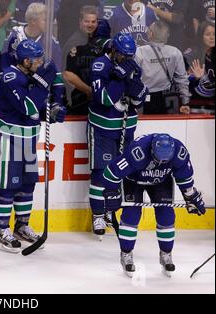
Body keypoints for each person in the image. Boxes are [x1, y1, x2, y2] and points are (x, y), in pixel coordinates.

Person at [0, 39, 66, 253]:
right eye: (37, 59)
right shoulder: (10, 77)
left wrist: (52, 111)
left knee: (27, 183)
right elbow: (27, 106)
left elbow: (38, 108)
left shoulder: (31, 75)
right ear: (25, 60)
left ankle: (21, 225)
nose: (40, 62)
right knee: (8, 186)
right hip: (9, 136)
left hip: (30, 137)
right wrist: (43, 83)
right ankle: (1, 229)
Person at [102, 134, 206, 277]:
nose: (161, 162)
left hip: (161, 182)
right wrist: (112, 192)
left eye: (165, 160)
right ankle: (126, 254)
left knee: (166, 217)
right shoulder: (137, 152)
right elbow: (110, 173)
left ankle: (166, 254)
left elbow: (184, 176)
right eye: (158, 159)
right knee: (131, 216)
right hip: (134, 181)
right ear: (151, 150)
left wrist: (190, 196)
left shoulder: (179, 152)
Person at [88, 32, 148, 239]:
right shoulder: (100, 66)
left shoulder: (133, 66)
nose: (127, 59)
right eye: (123, 55)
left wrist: (137, 90)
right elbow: (103, 98)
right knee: (100, 173)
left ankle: (110, 210)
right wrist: (118, 79)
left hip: (126, 129)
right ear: (114, 50)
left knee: (123, 173)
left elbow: (139, 102)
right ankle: (97, 214)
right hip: (103, 130)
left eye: (130, 56)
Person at [135, 21, 191, 114]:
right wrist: (185, 102)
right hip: (169, 99)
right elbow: (182, 79)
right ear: (167, 35)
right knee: (170, 128)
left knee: (146, 128)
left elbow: (133, 80)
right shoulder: (175, 52)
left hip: (144, 99)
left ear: (150, 34)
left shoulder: (139, 52)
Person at [63, 17, 110, 115]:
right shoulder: (78, 45)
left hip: (101, 103)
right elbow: (67, 74)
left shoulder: (111, 51)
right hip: (78, 101)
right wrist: (89, 91)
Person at [1, 2, 63, 71]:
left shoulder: (50, 40)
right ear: (33, 21)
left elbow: (57, 67)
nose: (49, 23)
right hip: (17, 78)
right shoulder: (15, 36)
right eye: (45, 20)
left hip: (40, 80)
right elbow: (4, 62)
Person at [188, 46, 215, 114]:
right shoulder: (196, 61)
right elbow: (187, 89)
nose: (211, 37)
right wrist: (197, 79)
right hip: (196, 109)